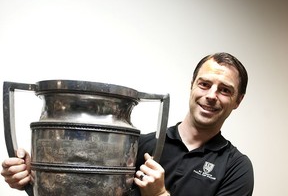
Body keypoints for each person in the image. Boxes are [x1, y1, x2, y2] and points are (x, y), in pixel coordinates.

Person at [1, 52, 254, 196]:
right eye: (205, 84)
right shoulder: (139, 145)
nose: (211, 95)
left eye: (224, 90)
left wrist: (159, 195)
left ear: (238, 101)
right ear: (192, 86)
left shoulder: (236, 168)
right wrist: (34, 177)